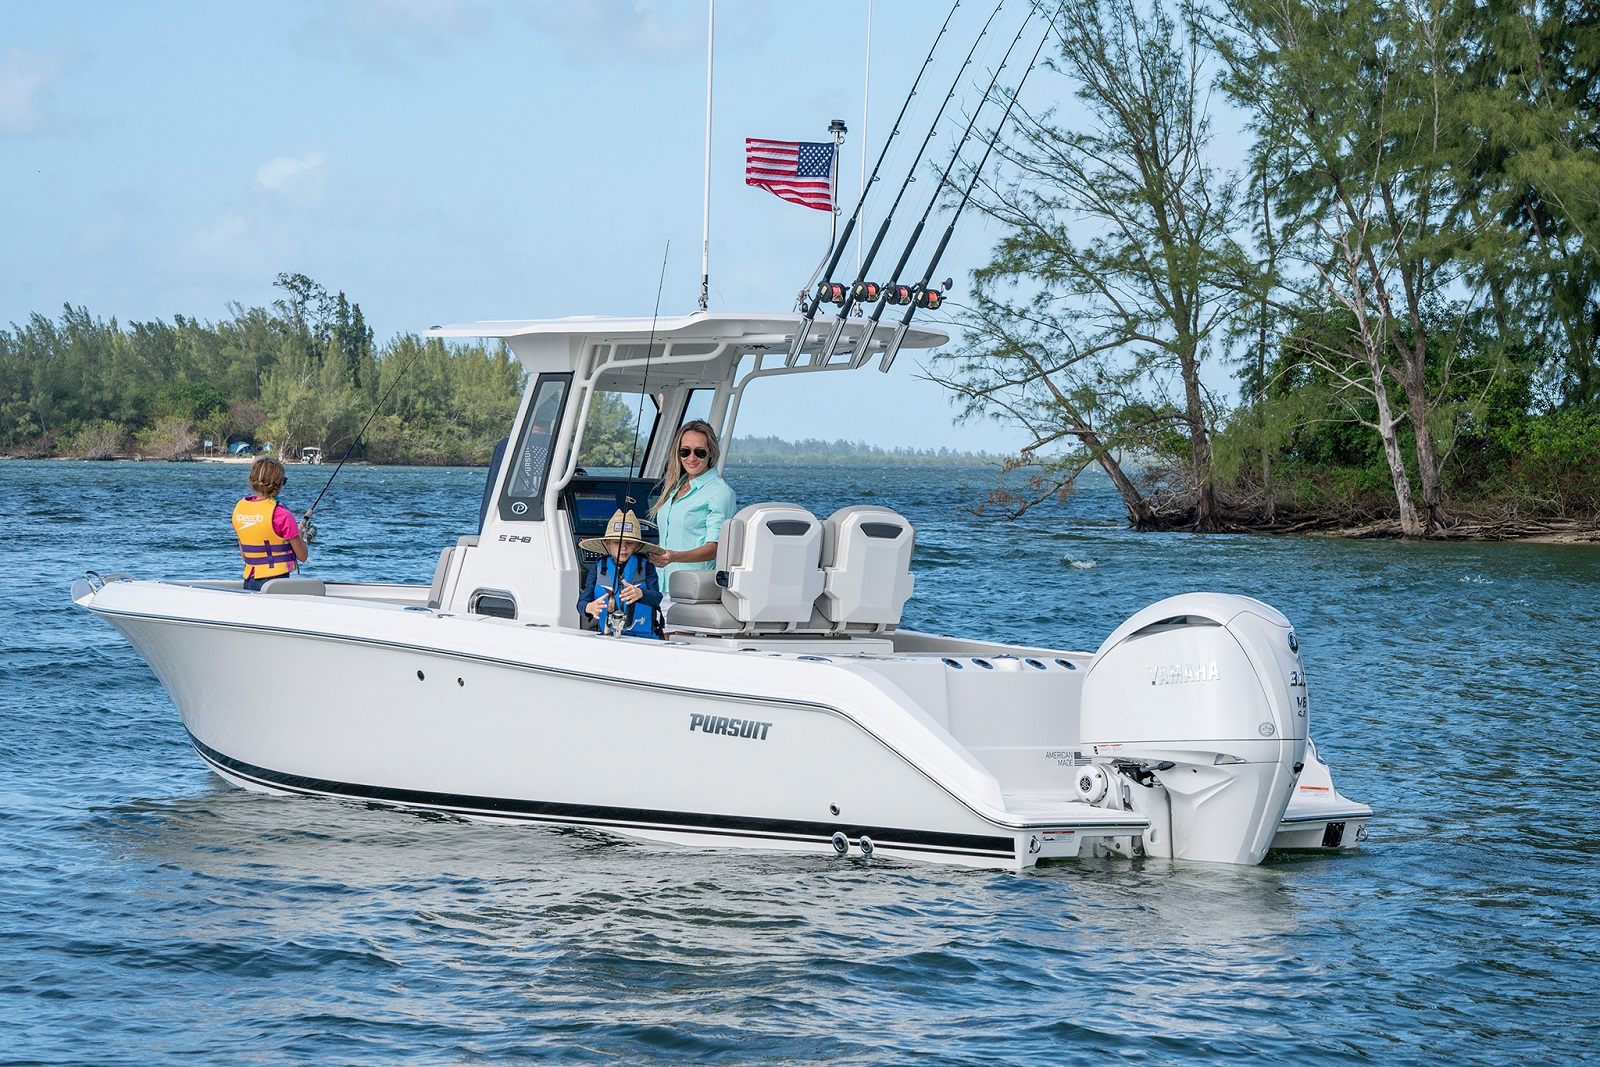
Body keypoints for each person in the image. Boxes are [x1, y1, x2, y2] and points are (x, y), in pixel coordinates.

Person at [648, 419, 736, 590]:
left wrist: (674, 557)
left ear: (711, 453)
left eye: (700, 452)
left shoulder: (721, 493)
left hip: (693, 591)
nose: (691, 458)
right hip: (660, 587)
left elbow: (715, 548)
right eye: (685, 451)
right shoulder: (675, 487)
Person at [577, 509, 663, 639]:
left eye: (629, 543)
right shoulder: (596, 568)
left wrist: (641, 594)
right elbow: (582, 602)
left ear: (636, 545)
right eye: (617, 542)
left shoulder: (647, 567)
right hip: (607, 635)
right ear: (608, 543)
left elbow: (657, 598)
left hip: (644, 638)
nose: (623, 548)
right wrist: (588, 607)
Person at [232, 456, 309, 590]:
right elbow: (302, 556)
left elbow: (245, 556)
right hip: (275, 583)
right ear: (279, 484)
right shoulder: (283, 515)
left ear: (252, 481)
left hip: (249, 581)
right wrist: (301, 535)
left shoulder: (239, 510)